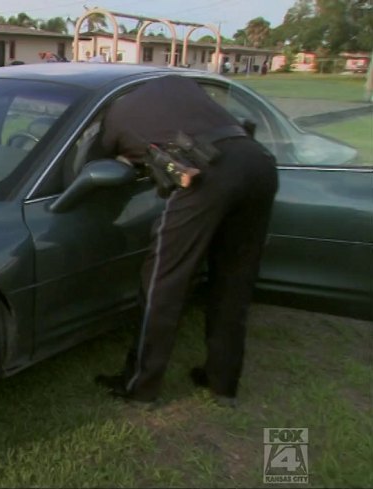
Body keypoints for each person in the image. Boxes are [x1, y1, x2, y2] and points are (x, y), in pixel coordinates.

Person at [94, 75, 278, 407]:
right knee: (235, 280)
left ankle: (140, 387)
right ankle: (223, 382)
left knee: (163, 282)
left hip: (207, 171)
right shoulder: (177, 83)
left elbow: (104, 158)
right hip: (258, 163)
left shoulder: (114, 119)